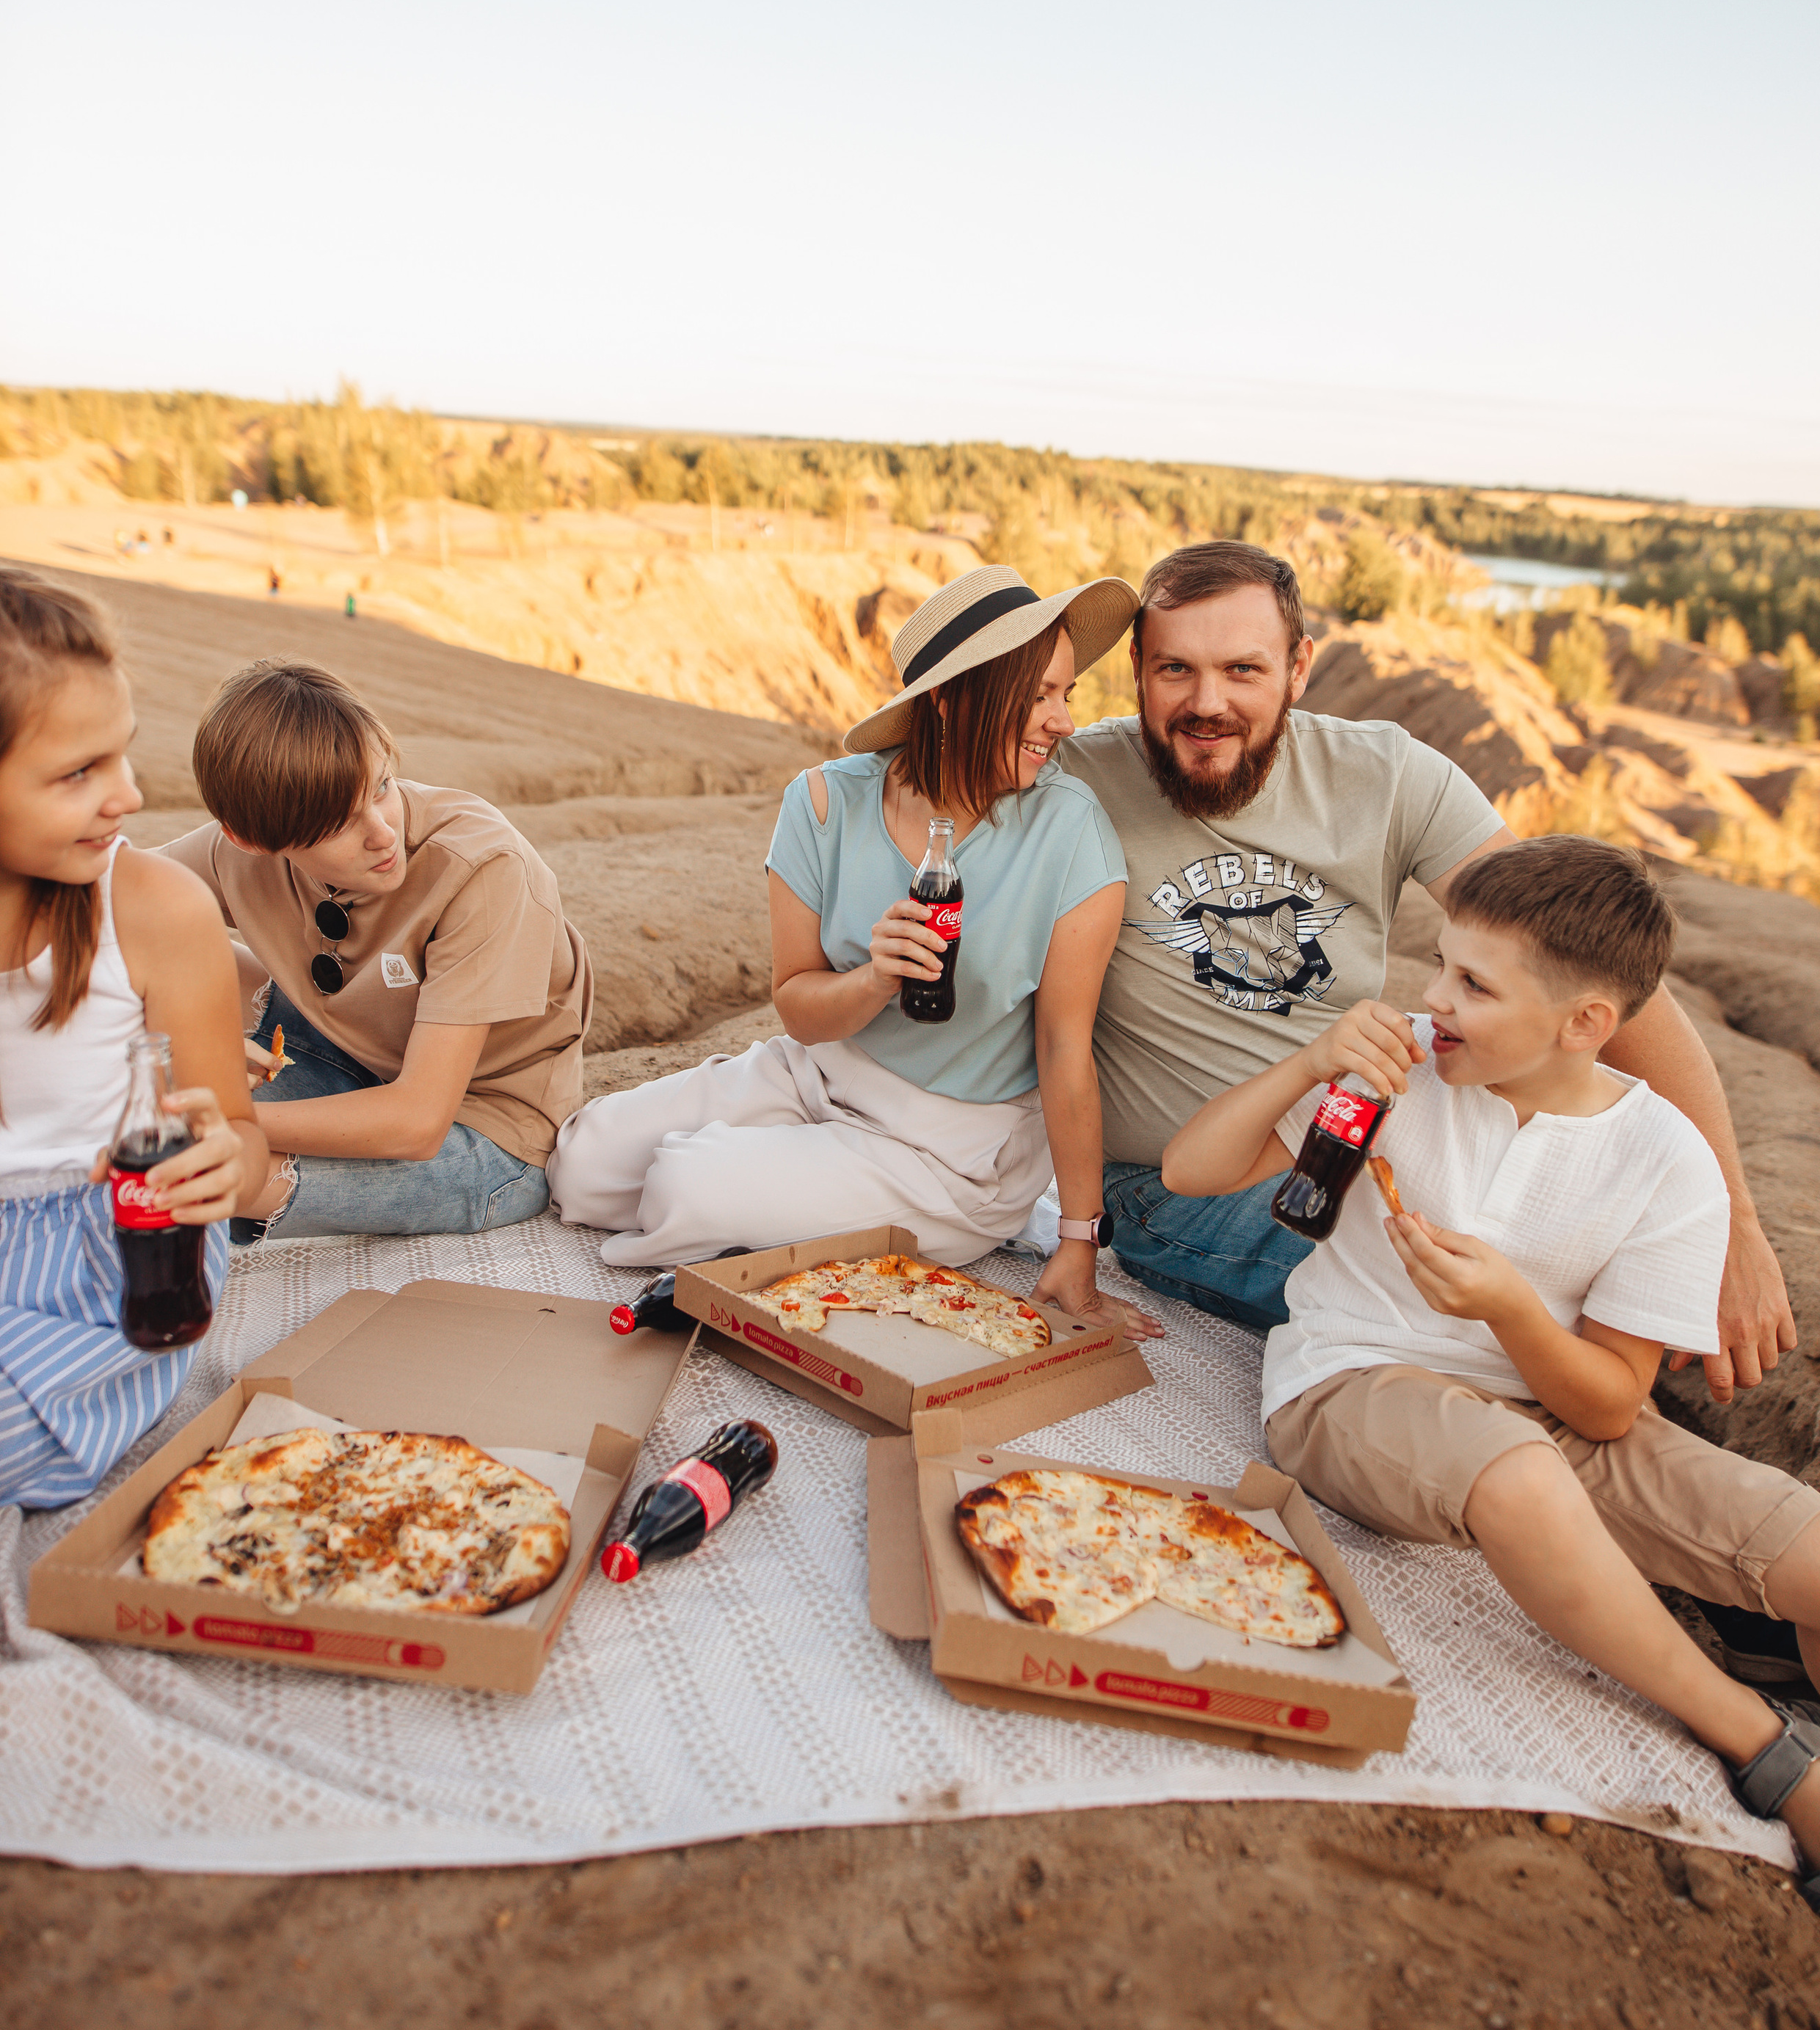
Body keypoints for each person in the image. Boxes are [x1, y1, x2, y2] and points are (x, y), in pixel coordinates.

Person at [1164, 835, 1820, 1943]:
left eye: (1473, 984)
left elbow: (1608, 1408)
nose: (1433, 999)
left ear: (1584, 1022)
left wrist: (1508, 1308)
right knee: (1523, 1476)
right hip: (1353, 1381)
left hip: (1555, 1407)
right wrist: (1307, 1066)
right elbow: (1191, 1171)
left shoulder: (1667, 1160)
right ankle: (1768, 1748)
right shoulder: (1399, 1070)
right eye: (1440, 966)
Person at [1055, 539, 1795, 1404]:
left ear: (1298, 668)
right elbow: (931, 788)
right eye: (1174, 669)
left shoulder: (1387, 775)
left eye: (1242, 669)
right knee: (1470, 1304)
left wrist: (1731, 1223)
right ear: (1137, 671)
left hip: (1360, 1139)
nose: (1206, 702)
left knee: (1571, 1277)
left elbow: (1581, 957)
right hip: (1181, 1187)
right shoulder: (1079, 775)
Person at [550, 564, 1151, 1325]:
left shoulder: (1070, 832)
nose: (1062, 722)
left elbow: (1066, 1049)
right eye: (1038, 696)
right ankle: (794, 1180)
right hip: (819, 1070)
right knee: (585, 1165)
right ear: (950, 697)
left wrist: (1078, 1241)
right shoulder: (826, 802)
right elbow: (799, 1009)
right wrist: (873, 979)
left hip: (953, 1150)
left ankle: (957, 1214)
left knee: (681, 1190)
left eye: (1068, 694)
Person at [160, 661, 592, 1241]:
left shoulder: (483, 870)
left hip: (482, 1134)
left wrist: (231, 1119)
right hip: (341, 1058)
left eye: (383, 787)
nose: (383, 833)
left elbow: (418, 1123)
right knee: (138, 1025)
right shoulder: (239, 846)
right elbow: (102, 894)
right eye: (340, 823)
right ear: (251, 839)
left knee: (204, 1170)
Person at [0, 570, 263, 1508]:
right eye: (79, 773)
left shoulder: (156, 910)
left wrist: (228, 1165)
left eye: (123, 754)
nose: (129, 796)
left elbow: (240, 1134)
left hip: (107, 1262)